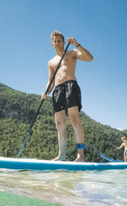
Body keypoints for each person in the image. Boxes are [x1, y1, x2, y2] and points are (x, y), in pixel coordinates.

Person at [41, 30, 93, 162]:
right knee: (59, 123)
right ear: (52, 44)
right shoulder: (51, 62)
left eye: (60, 41)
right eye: (55, 41)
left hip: (71, 86)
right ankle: (61, 155)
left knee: (74, 119)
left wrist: (77, 44)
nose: (58, 43)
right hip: (57, 90)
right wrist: (46, 92)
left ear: (64, 42)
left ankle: (80, 155)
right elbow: (51, 80)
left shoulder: (72, 52)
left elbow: (89, 58)